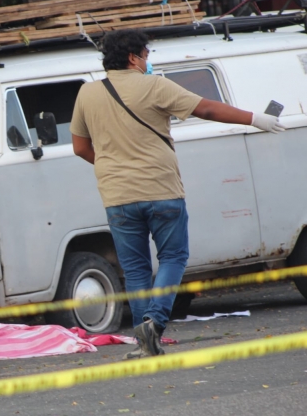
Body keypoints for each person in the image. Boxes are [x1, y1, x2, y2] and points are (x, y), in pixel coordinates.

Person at [69, 29, 285, 359]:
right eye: (145, 54)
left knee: (137, 269)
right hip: (161, 189)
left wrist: (114, 165)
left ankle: (145, 344)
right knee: (173, 257)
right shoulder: (155, 86)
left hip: (117, 197)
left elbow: (80, 147)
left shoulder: (87, 94)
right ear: (133, 58)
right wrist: (257, 119)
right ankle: (154, 323)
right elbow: (207, 110)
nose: (148, 61)